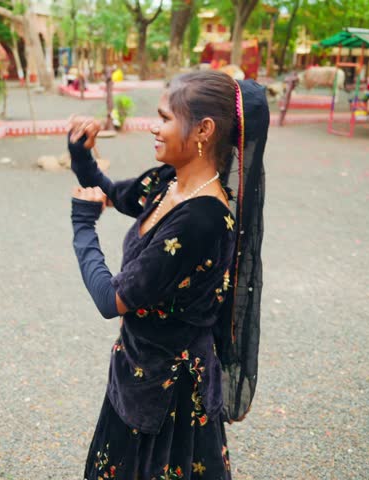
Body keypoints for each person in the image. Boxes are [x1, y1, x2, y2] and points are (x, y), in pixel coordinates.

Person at [67, 70, 268, 479]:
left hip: (171, 396)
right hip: (136, 372)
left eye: (164, 118)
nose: (152, 128)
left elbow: (113, 299)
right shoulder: (168, 183)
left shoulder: (203, 219)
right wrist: (80, 155)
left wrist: (82, 226)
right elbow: (111, 191)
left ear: (204, 130)